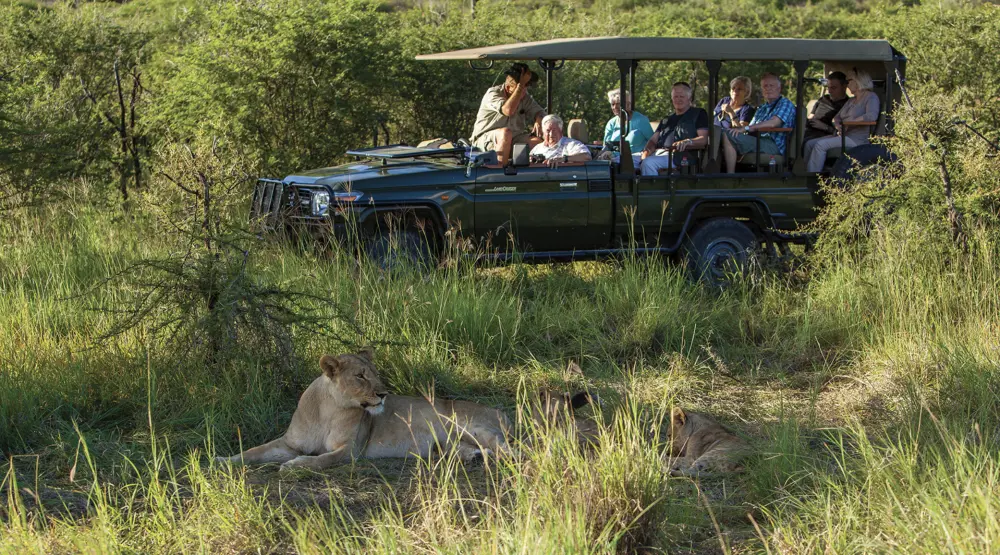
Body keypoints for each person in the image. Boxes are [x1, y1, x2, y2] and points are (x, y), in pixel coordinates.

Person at [804, 69, 880, 173]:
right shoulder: (851, 100)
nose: (847, 84)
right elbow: (837, 117)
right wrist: (838, 126)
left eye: (849, 81)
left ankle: (813, 177)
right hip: (842, 134)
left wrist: (850, 122)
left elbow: (871, 116)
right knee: (809, 144)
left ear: (858, 81)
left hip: (856, 138)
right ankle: (803, 173)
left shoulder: (871, 97)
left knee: (820, 145)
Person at [470, 63, 546, 165]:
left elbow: (540, 112)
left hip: (514, 139)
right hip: (486, 140)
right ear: (508, 87)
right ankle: (499, 174)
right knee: (505, 133)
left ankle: (534, 176)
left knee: (538, 143)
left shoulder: (525, 97)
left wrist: (539, 119)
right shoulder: (493, 93)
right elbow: (508, 110)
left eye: (526, 87)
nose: (524, 91)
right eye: (521, 88)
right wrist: (520, 88)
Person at [721, 73, 796, 174]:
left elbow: (774, 123)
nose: (768, 88)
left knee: (727, 135)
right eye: (765, 86)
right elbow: (750, 128)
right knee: (723, 133)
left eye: (771, 86)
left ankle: (730, 175)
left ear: (779, 88)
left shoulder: (785, 103)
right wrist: (740, 129)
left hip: (773, 145)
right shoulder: (762, 108)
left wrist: (746, 128)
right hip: (758, 140)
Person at [639, 82, 710, 176]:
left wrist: (687, 141)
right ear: (672, 99)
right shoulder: (666, 120)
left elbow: (703, 139)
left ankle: (653, 190)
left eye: (682, 96)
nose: (678, 99)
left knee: (648, 163)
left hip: (679, 156)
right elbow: (653, 140)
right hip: (657, 153)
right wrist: (646, 152)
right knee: (622, 160)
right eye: (676, 96)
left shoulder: (698, 114)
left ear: (689, 98)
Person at [600, 88, 654, 163]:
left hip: (636, 158)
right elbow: (606, 146)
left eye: (618, 104)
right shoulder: (611, 123)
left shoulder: (641, 120)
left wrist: (644, 156)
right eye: (613, 104)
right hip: (614, 159)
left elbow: (653, 142)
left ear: (628, 104)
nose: (615, 107)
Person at [802, 71, 849, 144]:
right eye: (828, 87)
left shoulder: (847, 104)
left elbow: (841, 131)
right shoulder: (824, 98)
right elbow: (811, 116)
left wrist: (824, 127)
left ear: (844, 87)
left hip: (825, 134)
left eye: (833, 88)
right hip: (809, 130)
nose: (830, 91)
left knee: (804, 143)